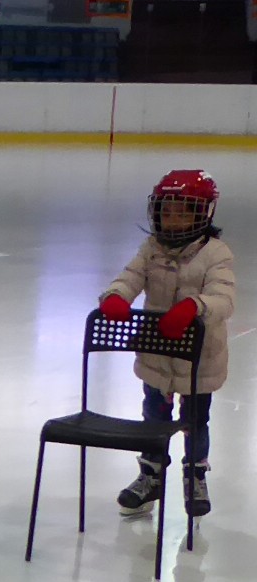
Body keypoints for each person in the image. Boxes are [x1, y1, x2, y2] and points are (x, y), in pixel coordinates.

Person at [100, 169, 235, 519]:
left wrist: (195, 307)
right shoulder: (151, 248)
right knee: (153, 418)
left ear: (202, 214)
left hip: (198, 361)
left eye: (182, 213)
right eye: (167, 212)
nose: (172, 221)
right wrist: (116, 296)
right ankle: (151, 476)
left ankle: (195, 476)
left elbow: (223, 298)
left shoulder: (216, 253)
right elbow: (131, 276)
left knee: (195, 421)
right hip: (157, 355)